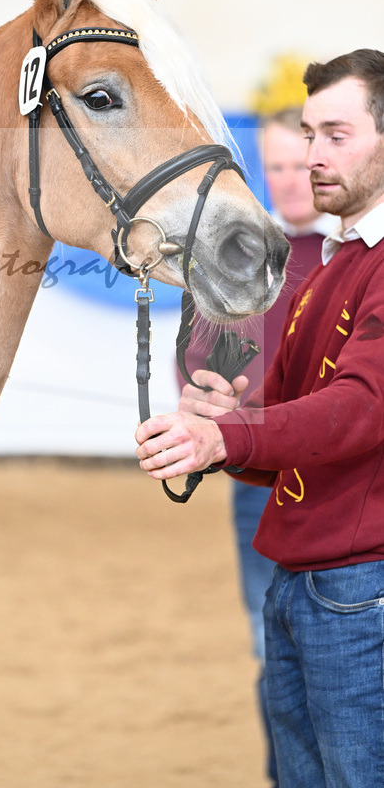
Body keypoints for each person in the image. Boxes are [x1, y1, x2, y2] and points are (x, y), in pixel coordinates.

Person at [138, 48, 384, 787]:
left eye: (335, 135)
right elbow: (288, 411)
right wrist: (227, 429)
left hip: (359, 590)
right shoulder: (341, 262)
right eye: (307, 135)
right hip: (309, 580)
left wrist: (228, 432)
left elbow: (360, 408)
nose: (311, 156)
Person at [176, 106, 332, 788]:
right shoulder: (234, 257)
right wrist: (207, 398)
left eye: (299, 166)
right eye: (273, 167)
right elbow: (195, 359)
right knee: (276, 648)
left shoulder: (355, 257)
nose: (288, 181)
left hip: (344, 481)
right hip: (260, 486)